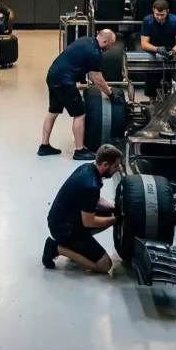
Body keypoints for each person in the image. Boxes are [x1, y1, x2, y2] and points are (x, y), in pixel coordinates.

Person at [42, 144, 123, 273]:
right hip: (64, 229)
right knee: (105, 265)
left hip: (61, 218)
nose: (117, 170)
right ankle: (56, 248)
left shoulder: (88, 168)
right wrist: (115, 220)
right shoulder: (90, 186)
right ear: (105, 165)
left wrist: (114, 208)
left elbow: (95, 199)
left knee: (107, 214)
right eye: (116, 166)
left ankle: (77, 247)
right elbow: (89, 222)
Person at [40, 29, 117, 161]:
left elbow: (76, 60)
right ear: (104, 41)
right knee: (79, 114)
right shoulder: (95, 53)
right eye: (110, 44)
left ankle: (44, 146)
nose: (109, 47)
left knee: (53, 111)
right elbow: (97, 78)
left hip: (52, 76)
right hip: (64, 81)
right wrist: (110, 94)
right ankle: (79, 150)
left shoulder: (85, 40)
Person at [139, 0, 176, 99]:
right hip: (153, 54)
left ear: (167, 11)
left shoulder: (175, 21)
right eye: (157, 14)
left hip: (170, 54)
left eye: (162, 15)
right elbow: (144, 43)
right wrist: (157, 49)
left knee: (170, 85)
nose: (159, 17)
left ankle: (169, 105)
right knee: (151, 87)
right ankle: (152, 104)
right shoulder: (147, 21)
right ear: (153, 10)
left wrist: (173, 51)